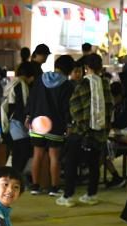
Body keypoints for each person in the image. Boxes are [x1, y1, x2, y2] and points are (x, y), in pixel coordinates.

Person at [57, 53, 113, 207]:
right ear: (100, 67)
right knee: (94, 164)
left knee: (71, 163)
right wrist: (105, 128)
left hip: (80, 132)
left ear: (86, 68)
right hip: (99, 133)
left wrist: (81, 125)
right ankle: (91, 194)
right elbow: (110, 107)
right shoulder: (105, 84)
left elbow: (74, 107)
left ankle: (68, 196)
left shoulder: (82, 84)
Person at [25, 54, 75, 196]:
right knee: (54, 156)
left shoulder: (40, 79)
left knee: (37, 154)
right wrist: (69, 124)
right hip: (55, 124)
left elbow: (32, 99)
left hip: (37, 122)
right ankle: (54, 188)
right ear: (69, 69)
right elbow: (67, 107)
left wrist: (28, 116)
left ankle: (35, 186)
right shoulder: (67, 85)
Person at [2, 61, 35, 176]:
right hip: (16, 122)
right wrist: (27, 122)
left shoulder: (11, 83)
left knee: (17, 151)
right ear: (31, 76)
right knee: (22, 151)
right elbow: (22, 106)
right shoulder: (21, 84)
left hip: (9, 121)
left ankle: (15, 175)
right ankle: (15, 176)